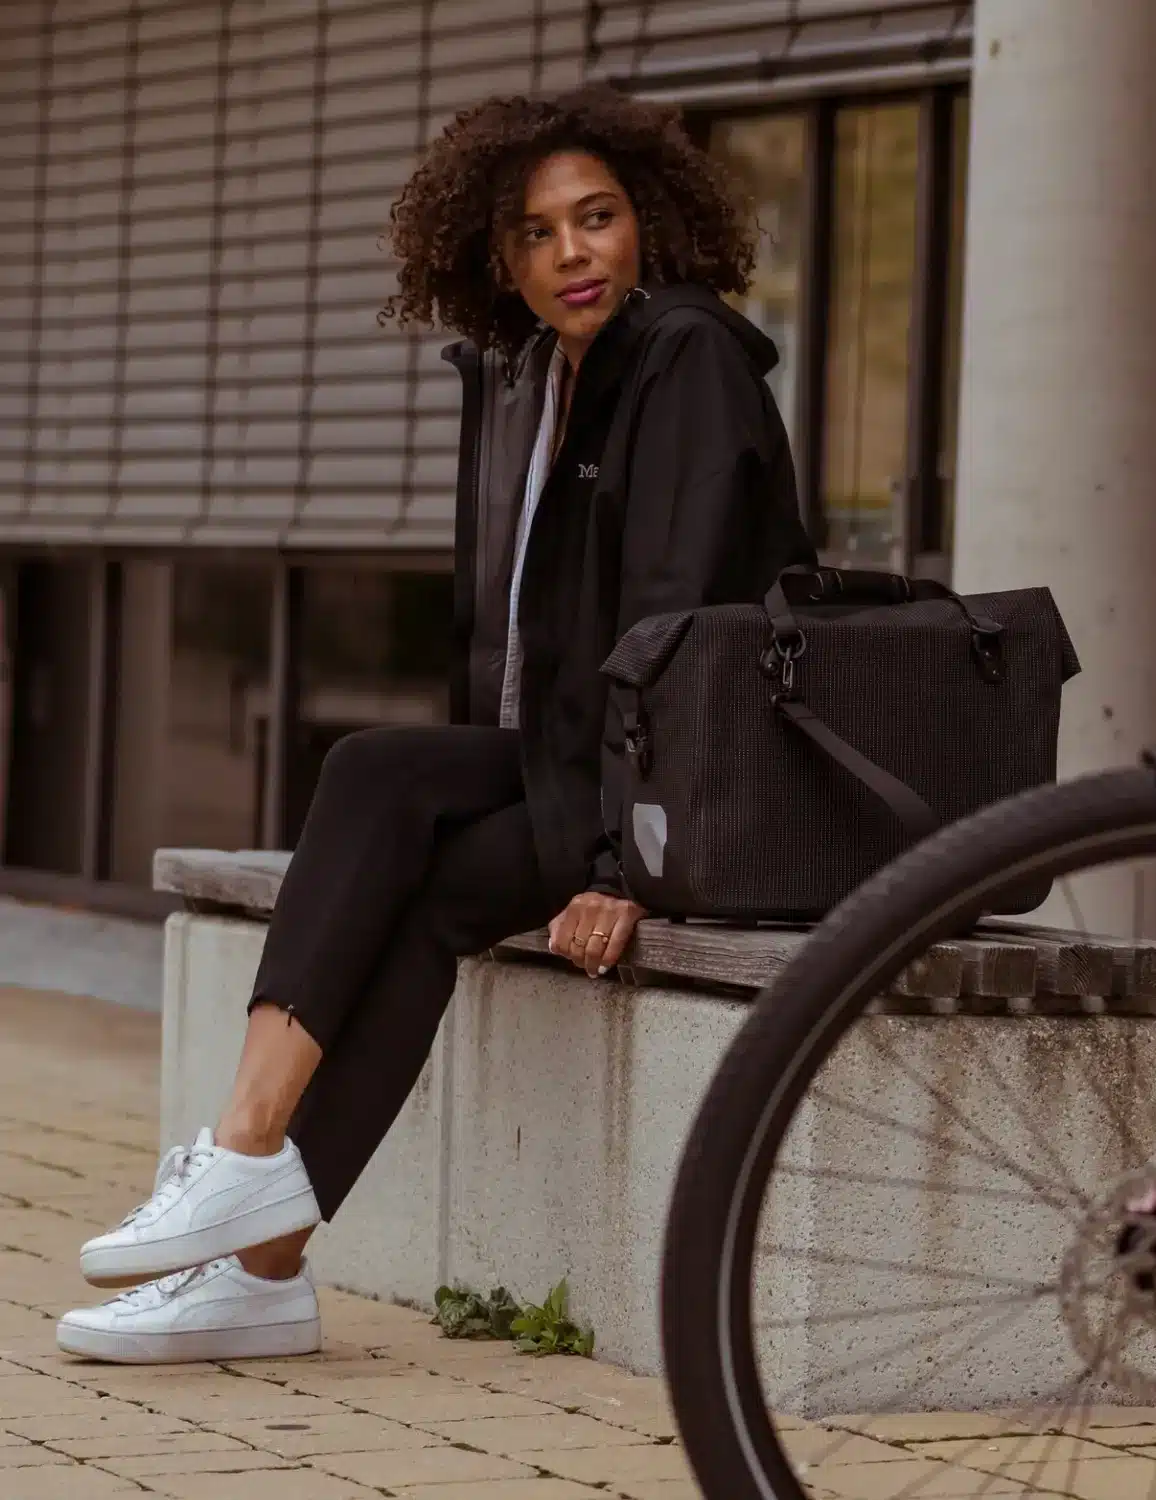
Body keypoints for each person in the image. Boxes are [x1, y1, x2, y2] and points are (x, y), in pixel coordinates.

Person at [55, 86, 814, 1364]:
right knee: (398, 825)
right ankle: (258, 1262)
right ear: (496, 262)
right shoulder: (539, 381)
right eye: (536, 233)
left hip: (693, 787)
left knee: (392, 804)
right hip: (581, 765)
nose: (574, 253)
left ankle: (245, 1172)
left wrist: (624, 866)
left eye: (599, 218)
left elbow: (677, 625)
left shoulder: (684, 355)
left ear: (651, 225)